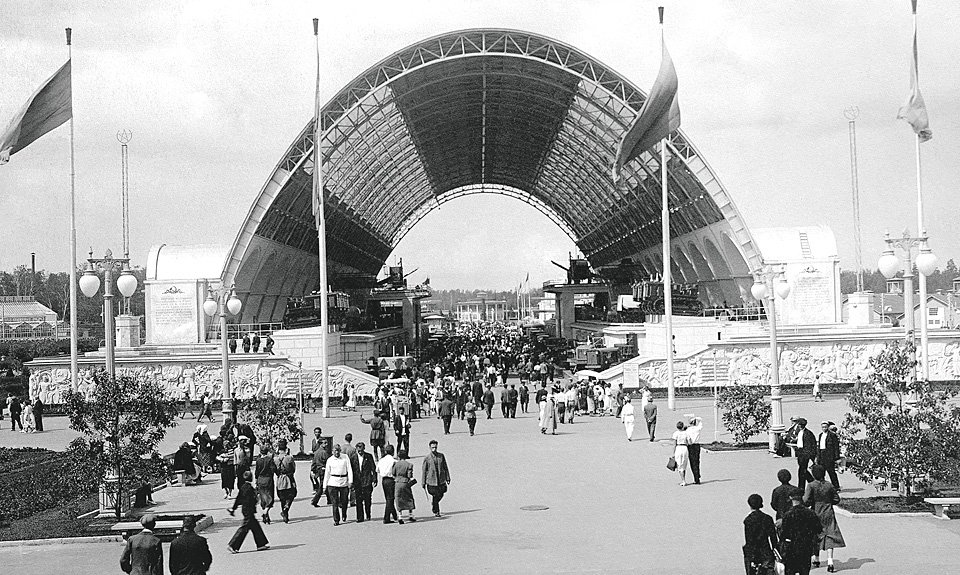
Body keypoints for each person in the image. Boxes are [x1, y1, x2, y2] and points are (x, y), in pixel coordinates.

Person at [804, 464, 845, 572]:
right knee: (829, 535)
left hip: (815, 512)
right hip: (828, 512)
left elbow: (805, 500)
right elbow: (837, 499)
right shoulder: (829, 485)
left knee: (815, 534)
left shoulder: (811, 485)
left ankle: (816, 558)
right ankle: (830, 561)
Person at [779, 489, 822, 575]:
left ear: (790, 498)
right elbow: (818, 529)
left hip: (791, 548)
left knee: (790, 571)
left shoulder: (788, 514)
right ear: (802, 497)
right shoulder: (810, 513)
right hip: (806, 546)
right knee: (805, 571)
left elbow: (783, 534)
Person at [227, 470, 270, 553]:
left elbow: (238, 499)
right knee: (244, 528)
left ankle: (261, 544)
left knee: (256, 527)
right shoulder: (250, 488)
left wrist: (233, 508)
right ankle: (232, 545)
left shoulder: (243, 487)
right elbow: (252, 500)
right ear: (252, 478)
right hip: (249, 510)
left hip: (245, 509)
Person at [742, 494, 778, 575]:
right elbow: (773, 537)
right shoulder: (768, 518)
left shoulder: (748, 520)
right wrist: (775, 551)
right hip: (766, 551)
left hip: (754, 552)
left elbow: (749, 540)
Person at [323, 443, 353, 525]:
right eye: (335, 451)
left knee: (344, 501)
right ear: (332, 451)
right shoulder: (330, 460)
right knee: (334, 502)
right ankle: (336, 519)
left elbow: (349, 469)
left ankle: (344, 514)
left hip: (343, 481)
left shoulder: (345, 457)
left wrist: (350, 481)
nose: (337, 453)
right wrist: (324, 486)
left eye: (338, 451)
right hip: (333, 482)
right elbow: (327, 473)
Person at [421, 439, 451, 517]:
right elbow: (424, 471)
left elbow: (445, 467)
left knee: (441, 494)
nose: (434, 449)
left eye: (435, 447)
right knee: (435, 495)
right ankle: (436, 511)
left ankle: (434, 503)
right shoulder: (427, 458)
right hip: (431, 481)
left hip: (441, 480)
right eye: (432, 447)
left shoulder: (441, 456)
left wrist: (448, 477)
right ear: (430, 448)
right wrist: (423, 482)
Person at [274, 439, 297, 523]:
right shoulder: (289, 458)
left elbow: (274, 469)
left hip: (280, 478)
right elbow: (293, 468)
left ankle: (285, 513)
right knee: (292, 493)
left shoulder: (275, 459)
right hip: (289, 477)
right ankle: (286, 508)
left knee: (282, 497)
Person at [791, 418, 817, 492]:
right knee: (803, 470)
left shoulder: (808, 433)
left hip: (805, 453)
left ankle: (801, 487)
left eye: (800, 425)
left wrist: (809, 456)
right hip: (800, 452)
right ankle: (810, 481)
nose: (799, 426)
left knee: (802, 470)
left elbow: (809, 445)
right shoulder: (800, 432)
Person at [391, 448, 417, 524]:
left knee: (398, 499)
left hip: (398, 483)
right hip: (405, 483)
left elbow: (393, 473)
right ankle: (410, 515)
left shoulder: (396, 464)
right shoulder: (409, 464)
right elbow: (409, 475)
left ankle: (400, 516)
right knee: (409, 498)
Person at [354, 442, 377, 522]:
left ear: (364, 449)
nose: (360, 452)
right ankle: (360, 517)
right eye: (358, 450)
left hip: (367, 481)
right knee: (358, 500)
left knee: (368, 499)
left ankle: (368, 514)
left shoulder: (369, 456)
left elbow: (373, 469)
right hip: (357, 482)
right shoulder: (353, 457)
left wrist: (374, 479)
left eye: (361, 450)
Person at [254, 443, 276, 524]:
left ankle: (266, 515)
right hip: (268, 479)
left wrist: (256, 479)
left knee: (263, 498)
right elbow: (273, 469)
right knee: (270, 498)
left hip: (260, 479)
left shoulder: (258, 460)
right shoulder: (269, 460)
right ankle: (265, 512)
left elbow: (256, 472)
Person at [377, 444, 399, 524]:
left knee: (388, 498)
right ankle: (386, 518)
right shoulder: (394, 461)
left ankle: (394, 515)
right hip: (391, 480)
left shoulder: (381, 460)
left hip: (384, 480)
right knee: (390, 499)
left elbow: (378, 470)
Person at [816, 421, 841, 490]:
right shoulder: (820, 435)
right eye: (823, 427)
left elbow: (836, 447)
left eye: (825, 427)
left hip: (829, 456)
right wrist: (818, 457)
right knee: (821, 472)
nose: (824, 428)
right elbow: (819, 447)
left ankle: (836, 486)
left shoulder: (832, 435)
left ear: (828, 427)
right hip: (822, 455)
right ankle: (822, 487)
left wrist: (837, 458)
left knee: (831, 472)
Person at [310, 432, 330, 507]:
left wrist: (313, 470)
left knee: (326, 484)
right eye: (325, 443)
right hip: (323, 470)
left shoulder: (316, 452)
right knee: (322, 486)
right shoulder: (324, 452)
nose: (326, 444)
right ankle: (315, 501)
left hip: (319, 470)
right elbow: (328, 462)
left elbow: (314, 462)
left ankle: (329, 499)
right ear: (321, 444)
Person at [686, 415, 704, 484]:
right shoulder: (697, 429)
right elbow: (701, 421)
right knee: (697, 461)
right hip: (697, 445)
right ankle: (697, 475)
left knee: (692, 462)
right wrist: (697, 418)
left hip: (690, 446)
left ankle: (696, 477)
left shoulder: (688, 430)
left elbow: (687, 438)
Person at [672, 421, 690, 486]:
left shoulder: (675, 434)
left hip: (678, 448)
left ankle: (683, 480)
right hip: (685, 448)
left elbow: (674, 444)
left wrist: (673, 453)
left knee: (679, 464)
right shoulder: (686, 433)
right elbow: (689, 442)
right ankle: (684, 479)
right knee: (684, 463)